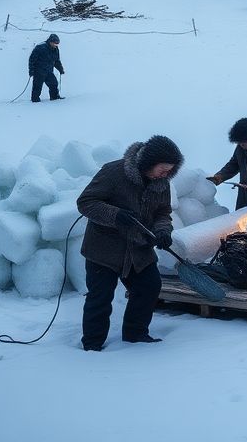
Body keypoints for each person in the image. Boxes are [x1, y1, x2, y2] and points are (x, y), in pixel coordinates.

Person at [76, 135, 182, 351]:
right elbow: (85, 202)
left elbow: (163, 212)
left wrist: (163, 231)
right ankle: (92, 345)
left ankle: (135, 334)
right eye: (163, 168)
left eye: (170, 170)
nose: (166, 174)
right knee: (100, 297)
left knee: (149, 286)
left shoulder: (162, 183)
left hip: (138, 249)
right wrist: (114, 214)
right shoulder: (113, 172)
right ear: (149, 162)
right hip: (104, 249)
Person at [28, 33, 65, 103]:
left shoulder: (56, 49)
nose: (56, 45)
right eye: (55, 43)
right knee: (37, 87)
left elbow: (56, 61)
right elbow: (32, 59)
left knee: (54, 83)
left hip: (49, 71)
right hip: (38, 71)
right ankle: (35, 100)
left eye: (57, 44)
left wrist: (60, 69)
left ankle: (55, 98)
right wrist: (31, 70)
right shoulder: (40, 47)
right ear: (50, 41)